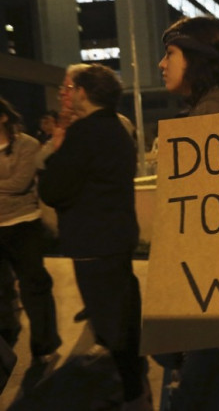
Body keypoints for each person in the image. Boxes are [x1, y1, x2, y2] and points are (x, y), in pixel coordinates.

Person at [37, 65, 151, 411]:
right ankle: (134, 384)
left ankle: (132, 394)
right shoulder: (117, 128)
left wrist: (55, 157)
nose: (67, 94)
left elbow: (54, 189)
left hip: (92, 243)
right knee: (124, 315)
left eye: (72, 88)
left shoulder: (84, 132)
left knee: (114, 325)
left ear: (84, 93)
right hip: (117, 238)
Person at [156, 15, 219, 411]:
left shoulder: (210, 119)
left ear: (198, 58)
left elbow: (201, 228)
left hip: (215, 306)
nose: (162, 64)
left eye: (171, 53)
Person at [0, 97, 61, 364]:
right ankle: (7, 341)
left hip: (24, 224)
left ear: (3, 117)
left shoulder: (27, 144)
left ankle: (44, 345)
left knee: (34, 286)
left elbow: (20, 182)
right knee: (2, 291)